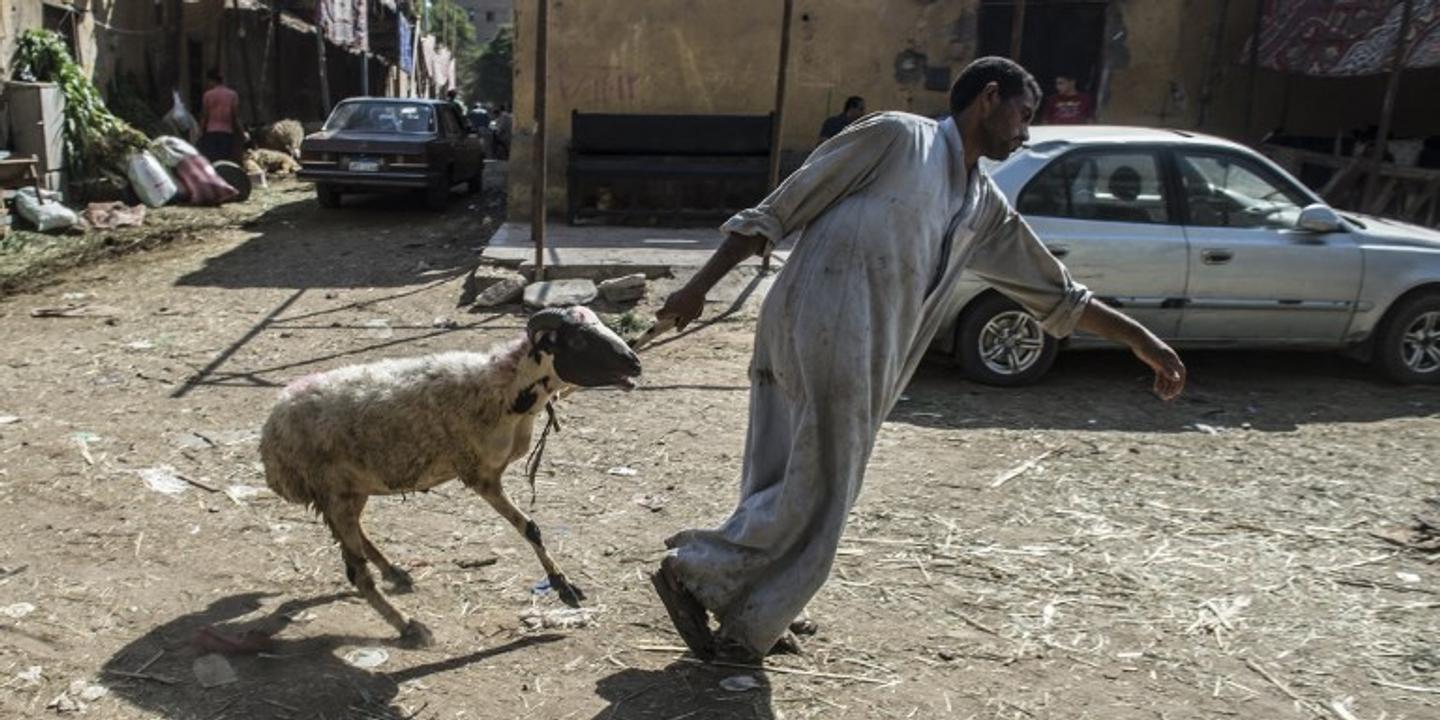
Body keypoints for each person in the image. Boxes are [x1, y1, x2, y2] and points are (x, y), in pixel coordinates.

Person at [649, 56, 1186, 664]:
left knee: (784, 474)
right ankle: (697, 575)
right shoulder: (898, 138)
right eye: (1024, 115)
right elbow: (781, 208)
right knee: (824, 485)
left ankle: (756, 608)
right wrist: (698, 286)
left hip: (868, 346)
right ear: (989, 97)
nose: (1026, 134)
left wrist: (1139, 337)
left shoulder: (981, 202)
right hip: (824, 323)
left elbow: (1055, 293)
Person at [197, 70, 242, 163]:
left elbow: (205, 116)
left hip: (211, 132)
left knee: (213, 161)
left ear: (211, 81)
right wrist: (241, 132)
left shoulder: (208, 95)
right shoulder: (232, 95)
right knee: (224, 161)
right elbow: (235, 116)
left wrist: (200, 132)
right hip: (226, 132)